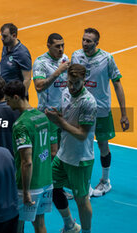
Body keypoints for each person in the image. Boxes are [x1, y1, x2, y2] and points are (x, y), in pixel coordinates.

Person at [71, 28, 129, 197]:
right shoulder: (76, 55)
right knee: (79, 145)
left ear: (97, 43)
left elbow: (118, 85)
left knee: (103, 145)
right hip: (80, 108)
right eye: (83, 39)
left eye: (89, 41)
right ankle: (80, 183)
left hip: (101, 109)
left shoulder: (107, 58)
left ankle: (105, 181)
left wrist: (124, 114)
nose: (84, 43)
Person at [45, 64, 97, 233]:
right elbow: (64, 115)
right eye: (70, 82)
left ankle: (86, 231)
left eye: (76, 83)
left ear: (84, 81)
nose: (72, 87)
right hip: (63, 155)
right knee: (51, 187)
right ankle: (70, 225)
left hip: (80, 159)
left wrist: (59, 122)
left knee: (81, 200)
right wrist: (56, 115)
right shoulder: (65, 92)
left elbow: (82, 134)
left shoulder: (88, 103)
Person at [5, 80, 53, 233]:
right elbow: (51, 150)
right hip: (46, 180)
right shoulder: (41, 116)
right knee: (39, 224)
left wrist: (25, 191)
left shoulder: (20, 125)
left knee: (18, 223)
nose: (7, 104)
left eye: (8, 100)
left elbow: (27, 162)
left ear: (16, 97)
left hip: (30, 185)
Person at [33, 33, 73, 200]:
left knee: (63, 152)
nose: (61, 49)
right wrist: (58, 72)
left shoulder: (65, 58)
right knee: (52, 153)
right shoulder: (41, 62)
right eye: (57, 46)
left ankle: (57, 186)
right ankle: (50, 188)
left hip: (64, 115)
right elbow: (39, 86)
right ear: (48, 45)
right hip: (48, 115)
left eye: (62, 45)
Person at [0, 23, 32, 90]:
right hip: (4, 90)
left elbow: (27, 79)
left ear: (14, 35)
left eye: (5, 36)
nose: (2, 39)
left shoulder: (22, 54)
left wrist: (21, 98)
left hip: (14, 95)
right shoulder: (6, 46)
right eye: (2, 36)